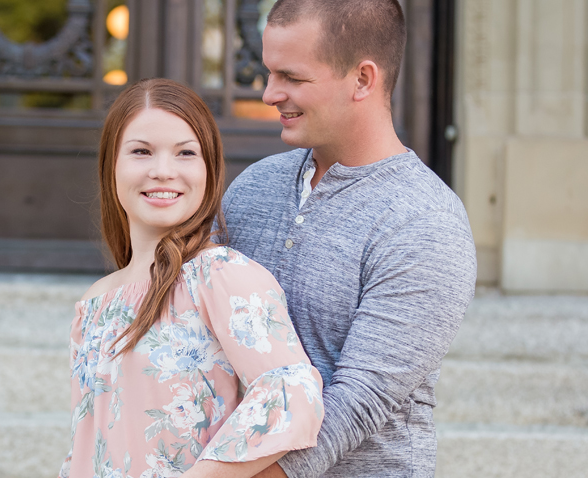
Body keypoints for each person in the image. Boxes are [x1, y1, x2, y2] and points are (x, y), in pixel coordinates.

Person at [221, 1, 477, 477]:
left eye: (292, 78)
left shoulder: (426, 222)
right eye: (269, 73)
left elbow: (357, 402)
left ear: (362, 79)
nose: (270, 94)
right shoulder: (252, 188)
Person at [59, 78, 324, 478]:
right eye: (141, 152)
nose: (163, 171)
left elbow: (292, 394)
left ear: (208, 167)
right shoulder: (96, 301)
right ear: (111, 164)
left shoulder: (221, 275)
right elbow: (87, 445)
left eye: (186, 153)